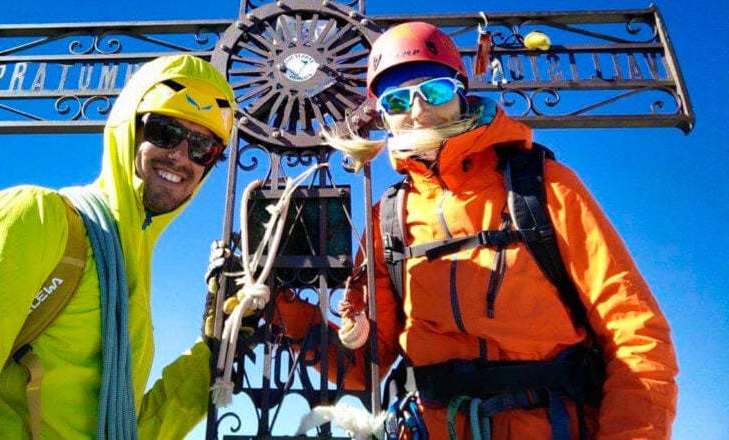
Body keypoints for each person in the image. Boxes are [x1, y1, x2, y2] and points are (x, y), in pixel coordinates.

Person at [274, 22, 678, 439]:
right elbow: (364, 364)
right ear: (382, 116)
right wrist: (279, 307)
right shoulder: (388, 217)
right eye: (396, 101)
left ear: (460, 91)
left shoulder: (543, 186)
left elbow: (634, 330)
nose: (417, 111)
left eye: (433, 91)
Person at [0, 53, 235, 439]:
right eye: (165, 132)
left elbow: (126, 430)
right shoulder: (35, 219)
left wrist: (219, 347)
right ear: (128, 128)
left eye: (202, 147)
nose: (181, 156)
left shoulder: (131, 267)